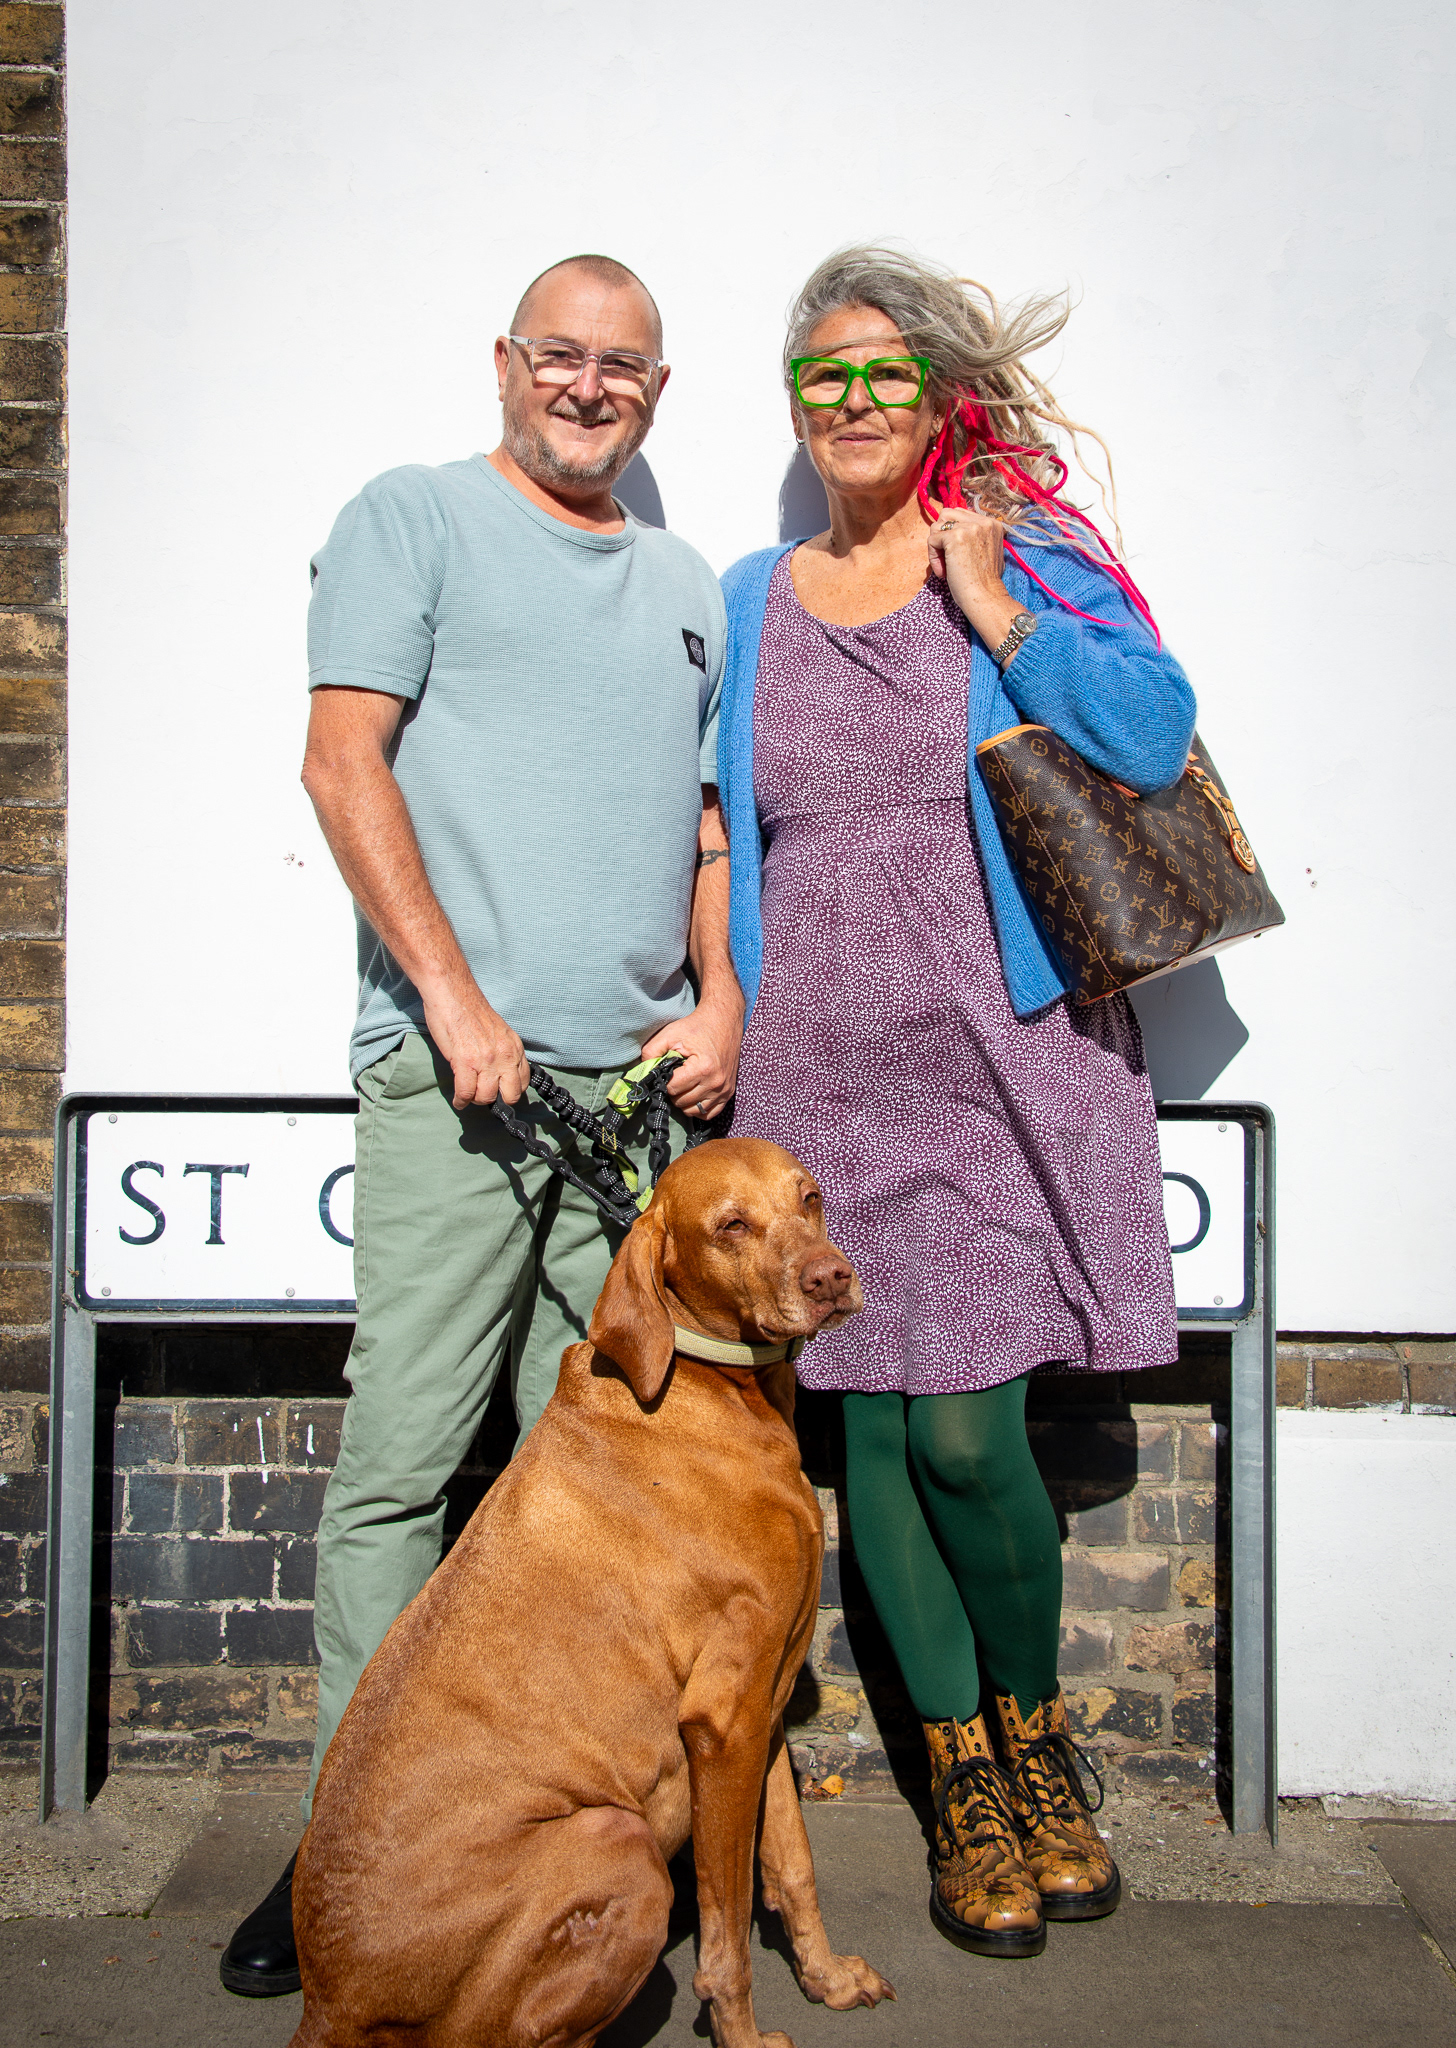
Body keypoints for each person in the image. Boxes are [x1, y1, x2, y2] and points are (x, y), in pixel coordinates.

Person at [221, 253, 743, 1998]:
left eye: (623, 368)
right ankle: (340, 1855)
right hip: (461, 1089)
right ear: (507, 364)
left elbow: (697, 824)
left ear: (656, 393)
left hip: (624, 1112)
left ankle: (553, 1853)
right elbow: (340, 761)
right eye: (559, 357)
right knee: (400, 1475)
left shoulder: (687, 584)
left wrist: (720, 999)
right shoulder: (413, 519)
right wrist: (451, 998)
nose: (588, 388)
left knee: (592, 1490)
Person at [721, 244, 1196, 1960]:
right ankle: (961, 1782)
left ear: (939, 395)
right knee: (863, 1439)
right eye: (821, 377)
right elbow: (729, 835)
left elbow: (1152, 738)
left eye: (882, 374)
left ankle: (1039, 1740)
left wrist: (1000, 611)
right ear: (797, 404)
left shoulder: (1027, 552)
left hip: (1004, 1062)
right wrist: (720, 1003)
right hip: (817, 1084)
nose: (851, 404)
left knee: (964, 1437)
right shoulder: (754, 595)